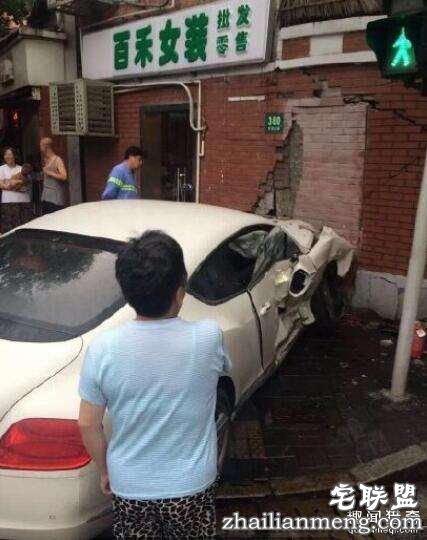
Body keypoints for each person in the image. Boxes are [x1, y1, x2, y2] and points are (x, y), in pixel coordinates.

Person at [78, 231, 231, 539]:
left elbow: (87, 424)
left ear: (127, 293)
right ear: (180, 292)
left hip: (129, 485)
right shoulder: (208, 337)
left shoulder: (102, 348)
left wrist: (105, 470)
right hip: (191, 485)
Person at [0, 147, 33, 233]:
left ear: (15, 156)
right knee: (9, 230)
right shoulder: (1, 169)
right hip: (8, 203)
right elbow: (2, 185)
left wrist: (10, 182)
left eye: (10, 154)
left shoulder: (22, 169)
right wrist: (17, 184)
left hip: (24, 202)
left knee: (24, 229)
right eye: (6, 154)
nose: (7, 156)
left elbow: (27, 186)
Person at [40, 137, 68, 214]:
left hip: (55, 198)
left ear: (46, 146)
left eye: (41, 145)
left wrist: (49, 173)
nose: (40, 148)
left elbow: (64, 176)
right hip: (46, 196)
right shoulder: (46, 160)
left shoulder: (57, 160)